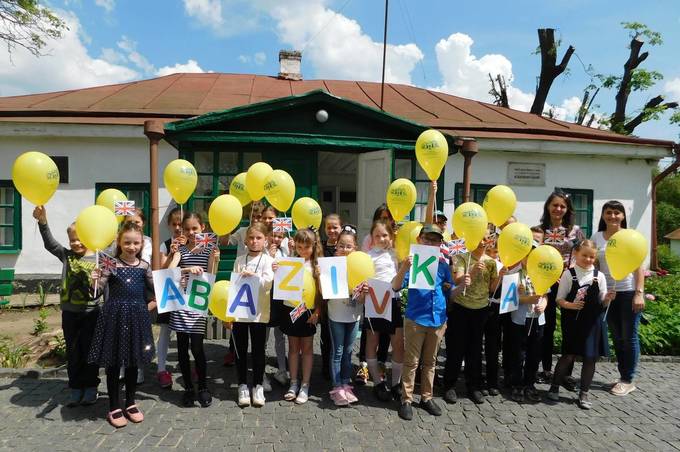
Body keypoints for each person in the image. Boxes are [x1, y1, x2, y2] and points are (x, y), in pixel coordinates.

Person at [87, 222, 155, 428]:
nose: (131, 246)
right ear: (119, 242)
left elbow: (158, 289)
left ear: (142, 243)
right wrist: (94, 280)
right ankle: (114, 405)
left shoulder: (144, 266)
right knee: (114, 363)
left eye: (136, 243)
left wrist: (180, 281)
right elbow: (95, 294)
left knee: (133, 362)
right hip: (115, 318)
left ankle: (131, 402)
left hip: (137, 318)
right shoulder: (109, 263)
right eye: (127, 242)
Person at [33, 206, 102, 407]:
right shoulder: (66, 255)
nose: (76, 243)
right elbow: (50, 244)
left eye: (80, 239)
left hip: (92, 313)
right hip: (71, 314)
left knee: (90, 351)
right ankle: (76, 387)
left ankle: (91, 387)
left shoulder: (98, 256)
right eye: (72, 240)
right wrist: (43, 222)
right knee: (73, 352)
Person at [393, 224, 462, 421]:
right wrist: (404, 268)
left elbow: (449, 292)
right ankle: (406, 399)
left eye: (436, 240)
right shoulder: (412, 263)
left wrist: (460, 284)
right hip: (416, 318)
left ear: (441, 244)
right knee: (412, 361)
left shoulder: (443, 266)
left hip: (438, 319)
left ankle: (426, 397)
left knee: (430, 361)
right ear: (419, 239)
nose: (431, 243)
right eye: (428, 239)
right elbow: (396, 286)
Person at [547, 240, 613, 409]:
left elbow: (602, 302)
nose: (588, 259)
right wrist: (570, 305)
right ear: (576, 253)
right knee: (568, 355)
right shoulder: (569, 274)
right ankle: (555, 386)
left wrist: (607, 298)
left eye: (592, 256)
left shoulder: (600, 276)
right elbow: (559, 299)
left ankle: (584, 392)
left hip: (593, 323)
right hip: (573, 321)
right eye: (584, 255)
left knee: (590, 357)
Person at [591, 201, 645, 396]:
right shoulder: (597, 237)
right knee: (617, 337)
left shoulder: (629, 237)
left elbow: (639, 267)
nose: (612, 216)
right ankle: (622, 376)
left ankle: (628, 380)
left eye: (617, 213)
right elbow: (595, 265)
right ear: (603, 216)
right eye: (608, 212)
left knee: (629, 337)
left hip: (628, 292)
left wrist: (639, 293)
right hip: (609, 294)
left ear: (623, 216)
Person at [167, 212, 219, 408]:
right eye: (187, 229)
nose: (190, 232)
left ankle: (203, 387)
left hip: (198, 302)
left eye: (194, 228)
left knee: (197, 347)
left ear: (202, 228)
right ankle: (188, 388)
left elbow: (211, 275)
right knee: (181, 347)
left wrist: (215, 259)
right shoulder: (179, 248)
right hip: (180, 301)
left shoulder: (208, 249)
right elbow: (170, 271)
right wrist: (180, 262)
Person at [535, 192, 585, 386]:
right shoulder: (540, 230)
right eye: (554, 205)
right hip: (546, 284)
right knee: (546, 328)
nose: (558, 209)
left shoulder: (576, 231)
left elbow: (583, 255)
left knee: (569, 329)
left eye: (562, 206)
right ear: (548, 207)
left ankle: (566, 373)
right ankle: (546, 369)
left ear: (568, 209)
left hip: (569, 283)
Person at [445, 229, 499, 405]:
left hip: (481, 310)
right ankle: (449, 385)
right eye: (479, 238)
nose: (483, 242)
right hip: (461, 307)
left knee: (475, 350)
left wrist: (501, 276)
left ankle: (473, 386)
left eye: (486, 238)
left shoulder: (491, 262)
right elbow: (458, 280)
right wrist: (474, 270)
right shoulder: (462, 257)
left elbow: (491, 288)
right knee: (456, 347)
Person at [277, 228, 322, 404]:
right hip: (291, 310)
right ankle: (293, 382)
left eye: (307, 247)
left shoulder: (316, 266)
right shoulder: (290, 263)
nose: (303, 250)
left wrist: (318, 311)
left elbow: (321, 293)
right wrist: (276, 269)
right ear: (295, 246)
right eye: (300, 246)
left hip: (309, 312)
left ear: (313, 246)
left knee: (308, 348)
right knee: (293, 347)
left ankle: (305, 384)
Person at [233, 223, 275, 407]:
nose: (255, 241)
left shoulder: (268, 260)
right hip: (241, 312)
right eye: (251, 238)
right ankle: (242, 384)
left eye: (258, 238)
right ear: (245, 240)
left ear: (265, 241)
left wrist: (254, 276)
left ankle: (257, 385)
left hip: (259, 312)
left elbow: (268, 284)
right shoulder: (239, 260)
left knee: (258, 350)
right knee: (240, 349)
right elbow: (234, 284)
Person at [365, 220, 404, 402]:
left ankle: (396, 383)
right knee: (373, 342)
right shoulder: (367, 256)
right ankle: (377, 382)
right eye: (377, 235)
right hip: (374, 301)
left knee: (398, 344)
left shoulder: (397, 254)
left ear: (391, 236)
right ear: (371, 238)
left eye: (385, 235)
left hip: (394, 301)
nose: (381, 238)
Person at [223, 201, 265, 366]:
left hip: (256, 277)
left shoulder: (263, 234)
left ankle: (256, 355)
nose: (256, 219)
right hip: (241, 275)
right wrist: (224, 226)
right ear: (249, 216)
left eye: (259, 216)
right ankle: (233, 350)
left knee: (256, 317)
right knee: (238, 315)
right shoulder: (241, 231)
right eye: (253, 216)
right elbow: (226, 242)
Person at [508, 237, 547, 403]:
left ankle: (529, 384)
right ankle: (516, 384)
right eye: (525, 255)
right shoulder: (513, 274)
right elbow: (508, 300)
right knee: (518, 353)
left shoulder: (541, 273)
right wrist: (525, 299)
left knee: (534, 353)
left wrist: (543, 304)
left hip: (537, 319)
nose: (528, 258)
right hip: (520, 319)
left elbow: (545, 294)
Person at [327, 227, 363, 406]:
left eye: (349, 246)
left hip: (354, 315)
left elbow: (364, 296)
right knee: (338, 352)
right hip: (336, 314)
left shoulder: (361, 265)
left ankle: (346, 383)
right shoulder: (330, 264)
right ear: (336, 246)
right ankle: (336, 387)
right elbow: (324, 291)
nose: (344, 249)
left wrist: (363, 291)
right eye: (341, 245)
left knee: (348, 352)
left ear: (355, 248)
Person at [156, 207, 184, 389]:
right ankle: (161, 368)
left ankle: (185, 364)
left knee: (186, 331)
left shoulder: (193, 244)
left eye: (180, 224)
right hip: (169, 290)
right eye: (174, 224)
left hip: (186, 292)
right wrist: (172, 254)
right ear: (169, 225)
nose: (177, 227)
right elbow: (161, 269)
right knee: (166, 330)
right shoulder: (165, 244)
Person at [319, 214, 343, 381]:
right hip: (324, 298)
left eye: (335, 227)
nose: (332, 230)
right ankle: (326, 366)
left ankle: (340, 366)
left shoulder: (345, 247)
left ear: (341, 228)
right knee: (325, 335)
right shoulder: (320, 247)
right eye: (329, 227)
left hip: (341, 299)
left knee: (340, 335)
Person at [266, 227, 289, 386]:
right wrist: (270, 256)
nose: (276, 239)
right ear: (268, 236)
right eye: (274, 235)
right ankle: (261, 374)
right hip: (266, 299)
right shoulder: (263, 252)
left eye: (280, 236)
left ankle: (282, 369)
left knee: (280, 336)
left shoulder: (286, 252)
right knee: (264, 337)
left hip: (281, 299)